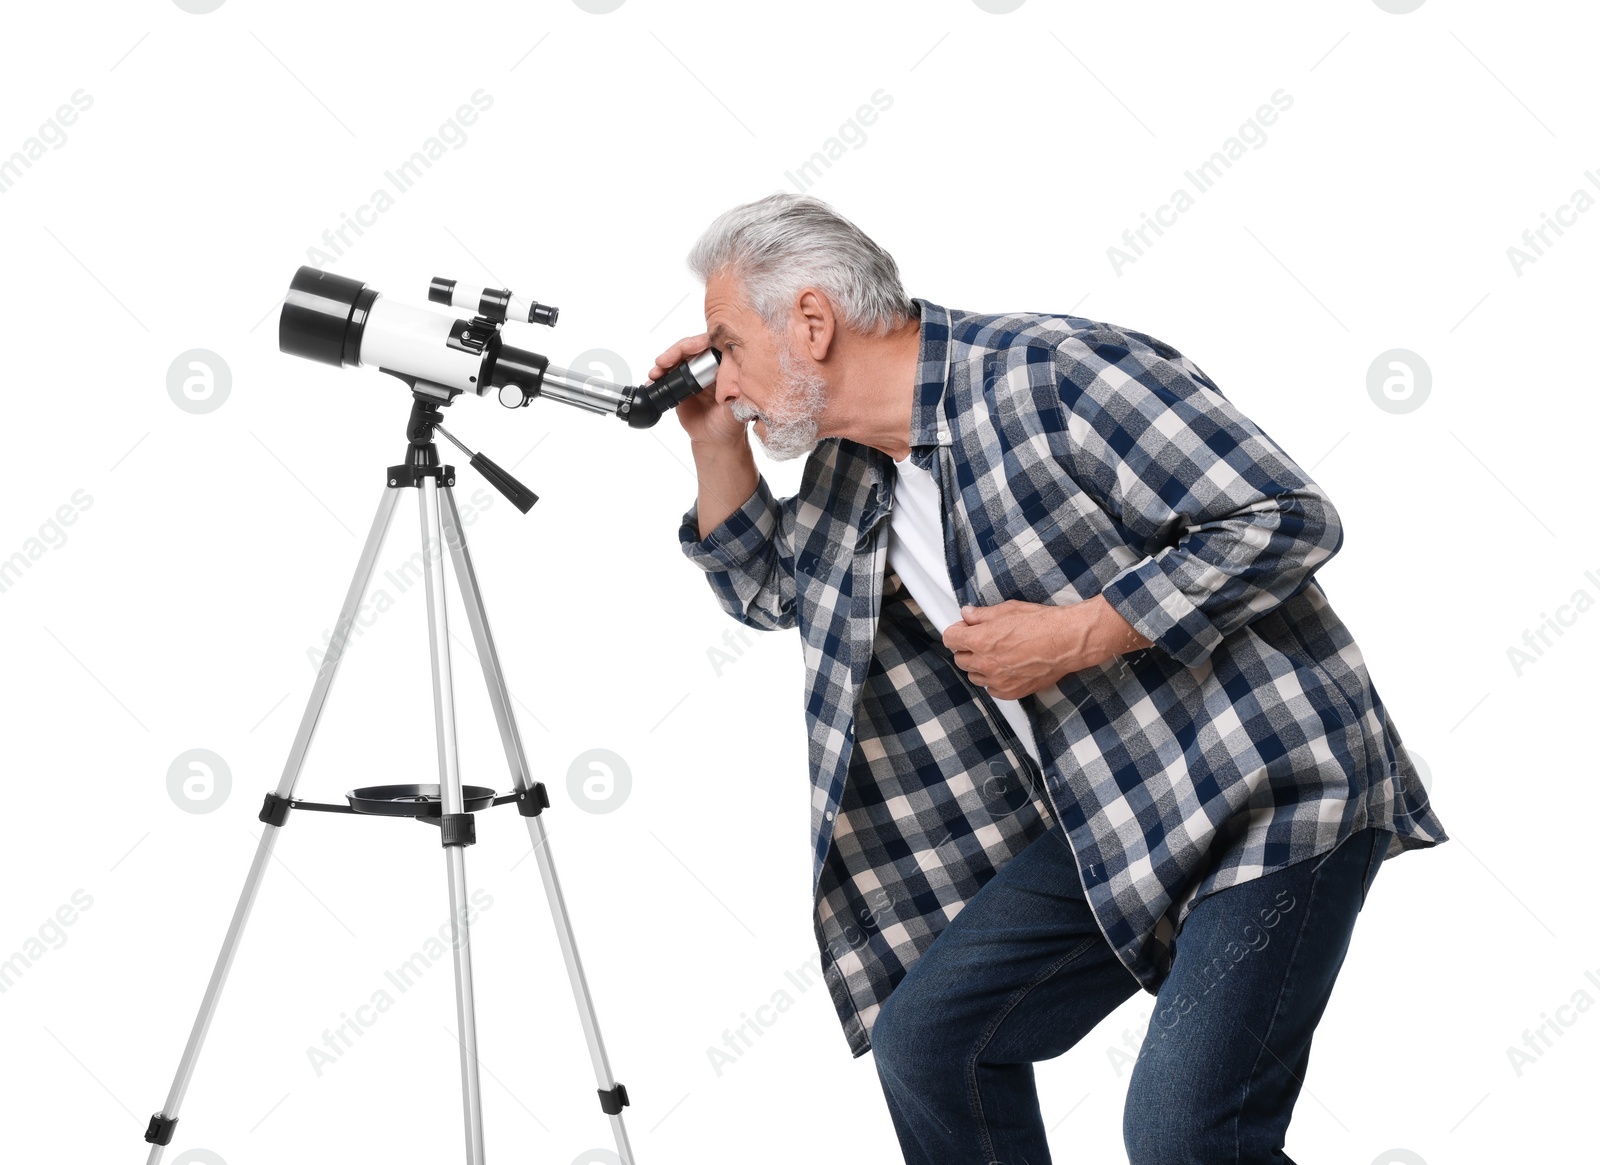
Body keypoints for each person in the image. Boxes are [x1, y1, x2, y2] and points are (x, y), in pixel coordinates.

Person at [651, 192, 1446, 1164]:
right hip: (1108, 805)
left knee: (1185, 1135)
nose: (720, 376)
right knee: (930, 1039)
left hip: (1265, 790)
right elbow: (774, 591)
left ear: (811, 322)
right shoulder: (849, 472)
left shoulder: (1053, 374)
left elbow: (1285, 514)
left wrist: (1082, 633)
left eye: (727, 344)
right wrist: (711, 442)